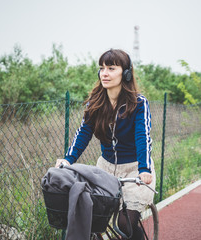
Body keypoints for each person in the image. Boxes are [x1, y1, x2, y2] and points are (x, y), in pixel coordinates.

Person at [55, 49, 156, 240]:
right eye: (101, 68)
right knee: (93, 221)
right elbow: (83, 134)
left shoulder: (138, 104)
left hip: (135, 169)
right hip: (105, 170)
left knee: (125, 224)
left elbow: (143, 137)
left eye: (111, 68)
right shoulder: (95, 103)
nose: (105, 73)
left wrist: (144, 169)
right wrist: (68, 160)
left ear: (125, 73)